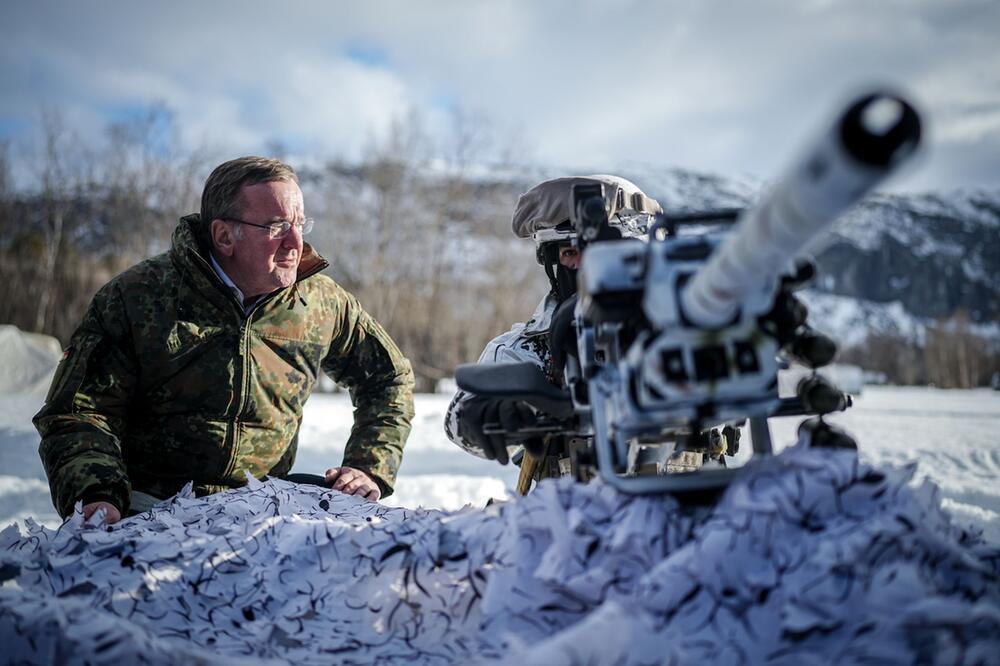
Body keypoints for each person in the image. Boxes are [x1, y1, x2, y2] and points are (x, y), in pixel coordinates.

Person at [35, 156, 415, 525]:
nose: (296, 243)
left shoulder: (321, 302)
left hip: (266, 507)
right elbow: (79, 411)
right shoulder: (137, 297)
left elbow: (388, 378)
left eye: (301, 224)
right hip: (148, 507)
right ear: (223, 235)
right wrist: (97, 492)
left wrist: (369, 467)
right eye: (277, 226)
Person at [444, 175, 661, 471]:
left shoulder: (686, 329)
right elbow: (460, 422)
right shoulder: (529, 347)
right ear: (554, 264)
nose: (587, 267)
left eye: (601, 252)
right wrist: (492, 414)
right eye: (570, 253)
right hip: (573, 514)